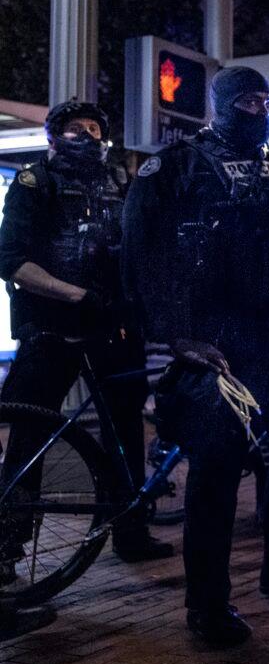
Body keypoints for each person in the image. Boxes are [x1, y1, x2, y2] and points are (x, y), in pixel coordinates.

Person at [122, 67, 269, 649]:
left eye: (266, 100)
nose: (259, 109)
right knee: (217, 465)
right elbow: (143, 255)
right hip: (213, 341)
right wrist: (179, 335)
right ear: (221, 105)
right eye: (247, 100)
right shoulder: (176, 167)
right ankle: (209, 604)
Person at [0, 100, 172, 583]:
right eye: (75, 129)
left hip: (112, 327)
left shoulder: (119, 184)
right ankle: (7, 545)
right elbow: (10, 260)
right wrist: (75, 295)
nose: (87, 136)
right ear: (53, 138)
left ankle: (130, 530)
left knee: (124, 429)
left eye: (95, 128)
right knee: (30, 432)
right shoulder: (36, 184)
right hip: (51, 329)